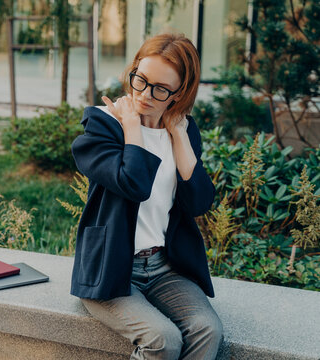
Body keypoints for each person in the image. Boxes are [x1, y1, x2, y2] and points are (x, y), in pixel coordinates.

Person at [70, 33, 224, 360]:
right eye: (140, 80)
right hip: (112, 267)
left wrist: (179, 135)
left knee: (207, 330)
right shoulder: (103, 125)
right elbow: (134, 184)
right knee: (162, 339)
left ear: (179, 92)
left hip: (164, 267)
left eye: (160, 89)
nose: (144, 94)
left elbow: (199, 203)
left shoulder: (182, 128)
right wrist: (133, 129)